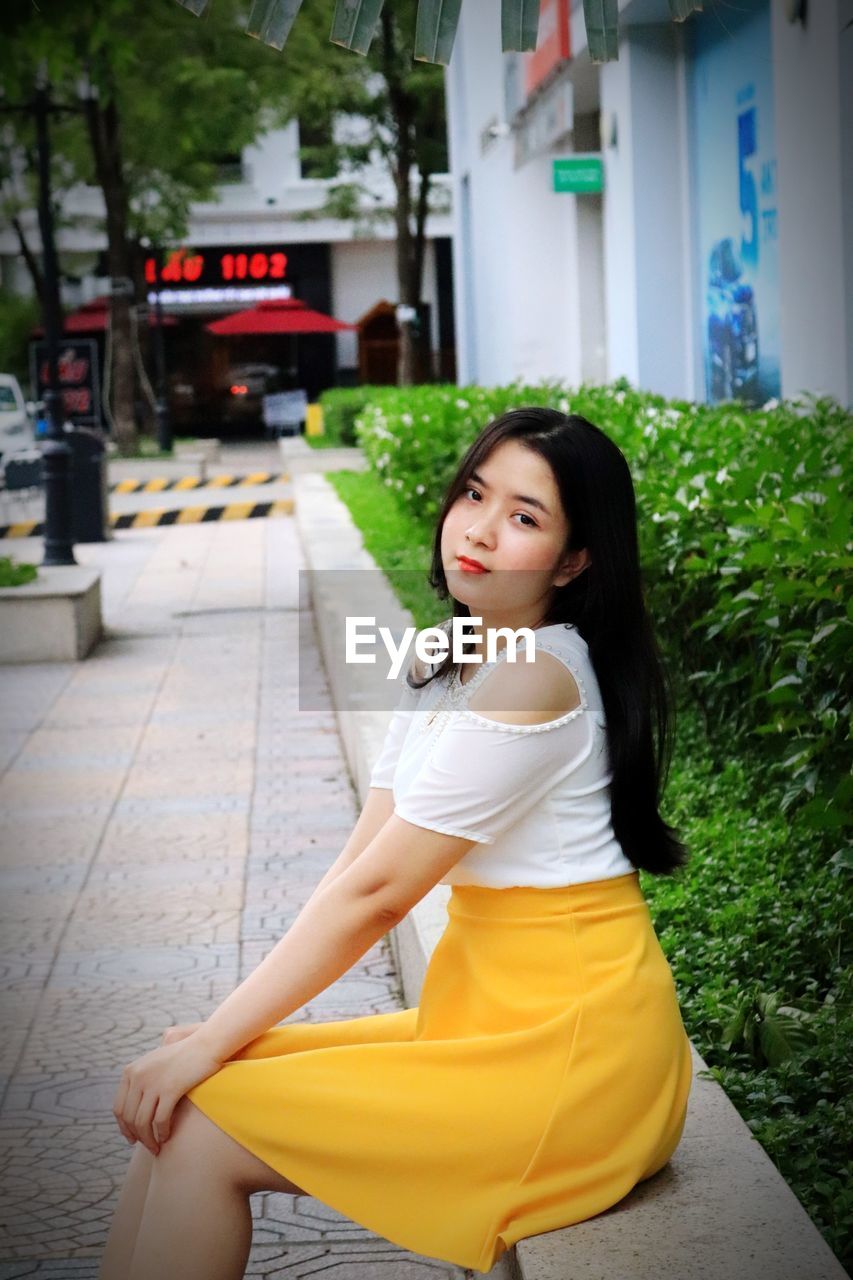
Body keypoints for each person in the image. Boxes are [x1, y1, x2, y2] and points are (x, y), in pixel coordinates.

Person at [99, 407, 693, 1280]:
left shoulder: (536, 676)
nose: (480, 530)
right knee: (186, 1090)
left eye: (524, 518)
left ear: (575, 560)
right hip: (485, 1025)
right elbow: (360, 860)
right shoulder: (447, 651)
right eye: (474, 495)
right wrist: (222, 1035)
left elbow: (379, 898)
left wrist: (215, 1040)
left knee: (198, 1124)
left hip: (574, 1064)